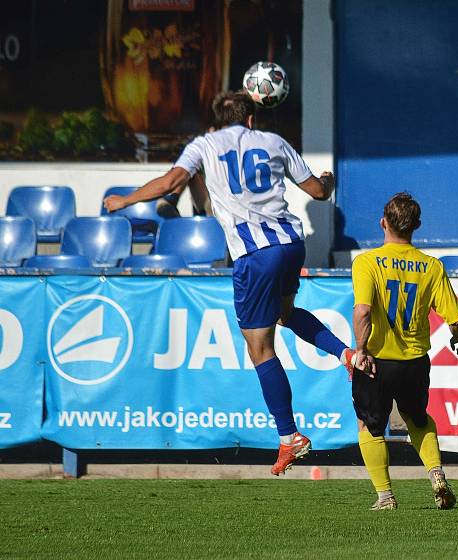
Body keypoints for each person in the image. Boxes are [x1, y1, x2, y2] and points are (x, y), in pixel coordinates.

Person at [104, 90, 356, 476]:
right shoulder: (275, 142)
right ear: (252, 118)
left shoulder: (204, 144)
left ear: (220, 121)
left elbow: (173, 182)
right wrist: (329, 179)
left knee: (260, 347)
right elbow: (319, 193)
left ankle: (289, 437)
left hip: (255, 254)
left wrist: (125, 200)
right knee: (285, 314)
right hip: (291, 244)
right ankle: (346, 355)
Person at [351, 193, 458, 511]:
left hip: (377, 359)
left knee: (369, 425)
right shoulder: (431, 267)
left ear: (383, 223)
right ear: (416, 226)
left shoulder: (367, 262)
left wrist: (359, 351)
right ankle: (436, 476)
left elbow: (363, 311)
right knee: (417, 420)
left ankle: (386, 496)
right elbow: (457, 318)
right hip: (415, 362)